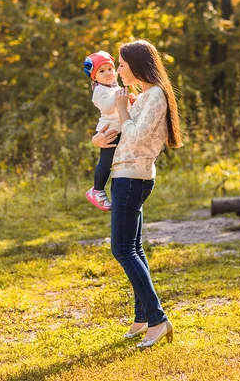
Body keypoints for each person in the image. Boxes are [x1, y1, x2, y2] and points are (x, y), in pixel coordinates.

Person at [92, 40, 183, 348]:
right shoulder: (146, 95)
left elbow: (137, 136)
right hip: (126, 175)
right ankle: (142, 318)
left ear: (136, 64)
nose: (117, 70)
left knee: (122, 249)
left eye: (120, 64)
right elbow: (117, 132)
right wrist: (99, 138)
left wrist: (121, 108)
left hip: (132, 177)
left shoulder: (155, 94)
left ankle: (158, 320)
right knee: (134, 248)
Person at [83, 51, 136, 211]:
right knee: (106, 162)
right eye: (102, 71)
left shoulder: (115, 87)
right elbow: (107, 107)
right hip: (108, 132)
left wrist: (130, 101)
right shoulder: (99, 91)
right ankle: (97, 190)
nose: (108, 73)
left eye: (110, 69)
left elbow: (123, 107)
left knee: (118, 161)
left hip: (120, 128)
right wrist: (119, 96)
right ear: (94, 77)